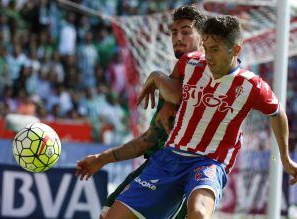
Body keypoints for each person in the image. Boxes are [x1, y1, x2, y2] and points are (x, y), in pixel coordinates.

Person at [104, 15, 297, 219]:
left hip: (209, 162)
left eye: (215, 49)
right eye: (206, 48)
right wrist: (164, 97)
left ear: (236, 50)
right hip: (171, 156)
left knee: (198, 213)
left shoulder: (252, 86)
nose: (209, 56)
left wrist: (285, 158)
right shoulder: (190, 62)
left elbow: (277, 113)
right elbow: (174, 81)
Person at [76, 5, 207, 219]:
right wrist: (102, 158)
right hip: (157, 165)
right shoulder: (171, 82)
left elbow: (178, 96)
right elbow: (149, 139)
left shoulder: (210, 74)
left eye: (186, 31)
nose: (178, 38)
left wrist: (156, 76)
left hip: (185, 172)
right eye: (174, 32)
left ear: (203, 38)